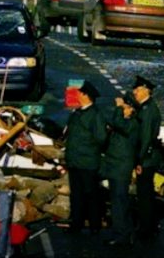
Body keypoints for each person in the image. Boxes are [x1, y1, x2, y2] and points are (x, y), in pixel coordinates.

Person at [63, 80, 107, 234]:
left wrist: (88, 145)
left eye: (80, 93)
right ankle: (76, 224)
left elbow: (101, 137)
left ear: (86, 96)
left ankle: (95, 225)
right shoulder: (77, 112)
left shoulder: (95, 115)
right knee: (76, 195)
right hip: (75, 161)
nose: (77, 95)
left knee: (91, 194)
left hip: (88, 161)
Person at [100, 92, 139, 246]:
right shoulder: (124, 123)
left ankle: (122, 235)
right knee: (119, 201)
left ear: (131, 109)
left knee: (119, 202)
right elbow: (111, 121)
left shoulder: (132, 124)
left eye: (125, 108)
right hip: (115, 166)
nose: (122, 110)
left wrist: (118, 107)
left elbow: (117, 122)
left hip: (121, 168)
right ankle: (125, 232)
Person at [132, 75, 163, 241]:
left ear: (146, 91)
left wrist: (139, 161)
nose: (134, 92)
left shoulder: (148, 111)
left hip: (147, 159)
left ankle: (146, 229)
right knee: (145, 194)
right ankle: (147, 227)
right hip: (148, 158)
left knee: (144, 195)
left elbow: (145, 139)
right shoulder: (145, 108)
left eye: (137, 89)